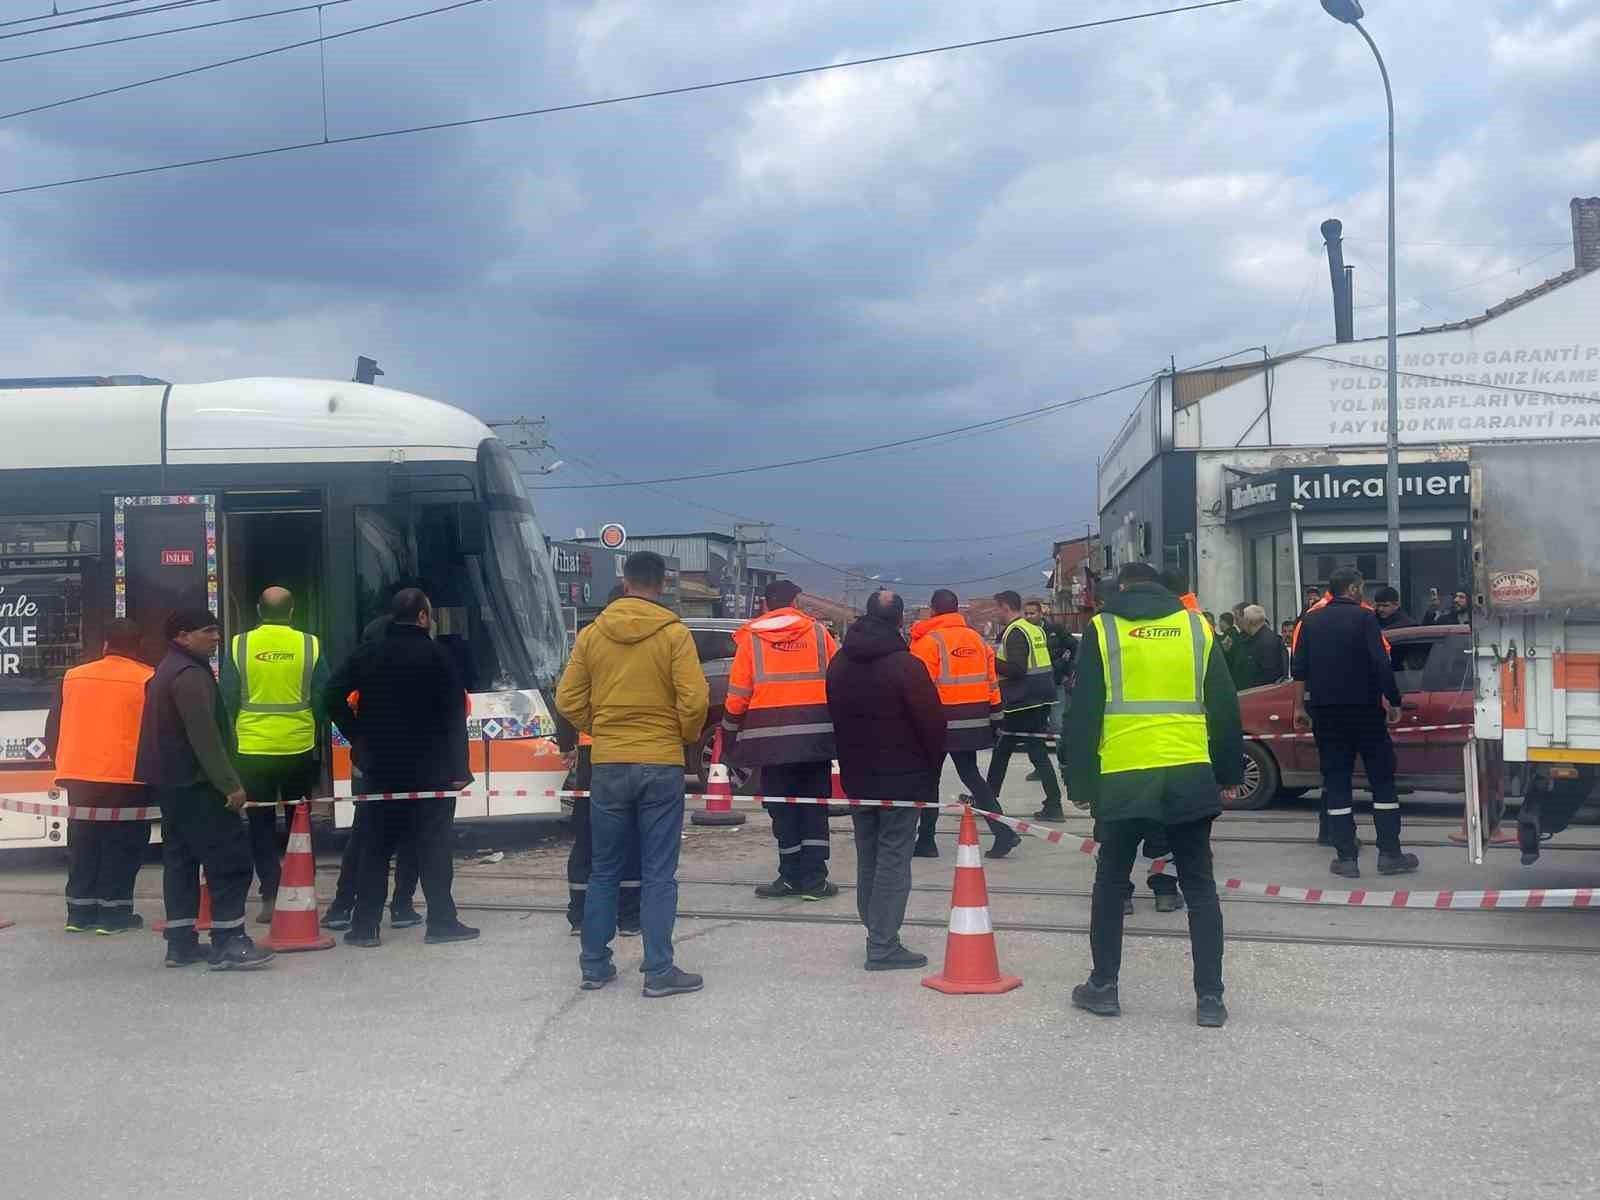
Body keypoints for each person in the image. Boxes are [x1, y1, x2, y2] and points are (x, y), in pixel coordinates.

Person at [1065, 563, 1242, 1028]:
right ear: (1166, 590)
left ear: (1120, 588)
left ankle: (1103, 987)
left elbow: (1083, 712)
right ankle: (1210, 999)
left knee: (1110, 883)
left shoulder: (1102, 629)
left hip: (1123, 775)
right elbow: (1225, 706)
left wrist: (1080, 782)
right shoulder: (1196, 627)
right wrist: (1226, 772)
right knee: (1200, 887)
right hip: (1187, 772)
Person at [556, 551, 708, 997]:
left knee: (604, 868)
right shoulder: (674, 634)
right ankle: (659, 971)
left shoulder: (591, 634)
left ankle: (594, 966)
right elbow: (695, 702)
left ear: (625, 582)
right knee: (658, 873)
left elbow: (567, 699)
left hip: (607, 763)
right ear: (661, 585)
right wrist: (677, 733)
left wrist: (599, 726)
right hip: (660, 762)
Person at [324, 588, 479, 948]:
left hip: (381, 767)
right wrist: (460, 768)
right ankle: (441, 921)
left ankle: (365, 927)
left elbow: (330, 695)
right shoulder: (439, 656)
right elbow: (454, 715)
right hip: (432, 769)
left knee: (375, 847)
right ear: (423, 617)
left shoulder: (369, 653)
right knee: (434, 847)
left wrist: (358, 736)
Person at [135, 609, 274, 971]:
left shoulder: (166, 669)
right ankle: (229, 943)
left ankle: (180, 945)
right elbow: (205, 738)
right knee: (229, 862)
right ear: (182, 636)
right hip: (199, 786)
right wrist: (230, 784)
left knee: (181, 864)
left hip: (173, 785)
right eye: (208, 631)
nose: (216, 637)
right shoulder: (190, 675)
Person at [826, 590, 945, 971]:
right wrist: (930, 772)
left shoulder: (839, 663)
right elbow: (933, 726)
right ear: (900, 622)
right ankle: (882, 943)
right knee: (894, 858)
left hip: (858, 776)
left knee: (869, 856)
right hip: (902, 780)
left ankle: (875, 931)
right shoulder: (906, 667)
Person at [1292, 566, 1420, 878]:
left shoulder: (1309, 620)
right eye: (1360, 587)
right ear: (1352, 589)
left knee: (1336, 782)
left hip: (1325, 712)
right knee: (1382, 781)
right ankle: (1390, 854)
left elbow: (1299, 669)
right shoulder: (1365, 618)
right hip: (1365, 711)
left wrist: (1299, 707)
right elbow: (1380, 663)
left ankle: (1346, 858)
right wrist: (1394, 700)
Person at [721, 579, 841, 901]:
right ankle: (815, 881)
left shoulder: (752, 639)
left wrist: (729, 736)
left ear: (765, 602)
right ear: (796, 602)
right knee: (814, 807)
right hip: (814, 740)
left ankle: (789, 876)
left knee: (783, 808)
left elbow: (737, 697)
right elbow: (838, 680)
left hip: (771, 744)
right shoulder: (819, 635)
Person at [220, 586, 331, 926]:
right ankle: (302, 894)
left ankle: (270, 896)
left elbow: (226, 699)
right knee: (301, 823)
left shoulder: (240, 646)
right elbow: (323, 697)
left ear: (258, 609)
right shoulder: (309, 645)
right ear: (292, 611)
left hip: (252, 750)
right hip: (298, 749)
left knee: (260, 826)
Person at [45, 618, 155, 935]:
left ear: (105, 645)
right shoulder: (148, 678)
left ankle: (78, 914)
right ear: (138, 647)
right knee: (122, 846)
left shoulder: (72, 677)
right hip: (127, 778)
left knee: (83, 843)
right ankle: (114, 915)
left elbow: (54, 727)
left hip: (79, 775)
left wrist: (63, 762)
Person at [321, 612, 420, 931]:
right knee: (409, 839)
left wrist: (358, 737)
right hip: (402, 766)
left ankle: (342, 906)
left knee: (364, 839)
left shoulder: (359, 670)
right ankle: (402, 906)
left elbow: (336, 700)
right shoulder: (399, 665)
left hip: (367, 766)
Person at [908, 589, 1017, 858]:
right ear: (957, 609)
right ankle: (1004, 833)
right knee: (972, 777)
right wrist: (996, 717)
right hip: (972, 721)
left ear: (933, 610)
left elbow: (918, 690)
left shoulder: (927, 643)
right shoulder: (977, 640)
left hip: (938, 724)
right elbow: (992, 682)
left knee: (928, 780)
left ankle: (926, 841)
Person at [986, 590, 1068, 820]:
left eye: (997, 608)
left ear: (1005, 607)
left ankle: (988, 801)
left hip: (1022, 701)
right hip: (1040, 698)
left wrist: (991, 661)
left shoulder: (1014, 632)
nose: (996, 613)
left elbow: (1017, 669)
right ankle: (1053, 805)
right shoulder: (1033, 629)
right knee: (1037, 752)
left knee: (1003, 750)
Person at [1231, 604, 1287, 689]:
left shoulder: (1267, 643)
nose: (1240, 622)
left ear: (1249, 622)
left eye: (1243, 619)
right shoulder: (1255, 639)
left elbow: (1268, 676)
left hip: (1259, 695)